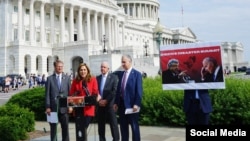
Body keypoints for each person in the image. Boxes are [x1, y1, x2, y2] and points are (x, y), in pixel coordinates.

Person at [114, 54, 143, 141]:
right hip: (122, 105)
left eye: (124, 62)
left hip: (132, 106)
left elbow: (139, 91)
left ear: (130, 62)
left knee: (134, 127)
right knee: (123, 127)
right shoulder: (121, 74)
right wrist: (116, 102)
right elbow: (118, 90)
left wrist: (137, 103)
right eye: (121, 62)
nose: (122, 64)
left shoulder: (137, 74)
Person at [68, 63, 101, 140]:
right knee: (80, 130)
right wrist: (70, 106)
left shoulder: (93, 79)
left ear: (87, 71)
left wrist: (96, 97)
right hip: (78, 110)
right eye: (81, 70)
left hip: (89, 110)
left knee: (83, 128)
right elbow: (71, 94)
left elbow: (95, 93)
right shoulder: (75, 81)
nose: (83, 71)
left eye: (84, 70)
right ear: (79, 71)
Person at [45, 60, 71, 141]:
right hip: (53, 108)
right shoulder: (50, 79)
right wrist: (48, 107)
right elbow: (47, 94)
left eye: (61, 66)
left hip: (64, 108)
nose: (60, 68)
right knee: (53, 129)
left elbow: (70, 93)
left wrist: (70, 106)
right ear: (55, 67)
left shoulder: (67, 78)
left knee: (65, 128)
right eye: (58, 66)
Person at [96, 61, 120, 141]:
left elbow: (114, 91)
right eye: (101, 67)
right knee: (101, 125)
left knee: (113, 125)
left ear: (108, 69)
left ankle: (116, 139)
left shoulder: (114, 77)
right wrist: (99, 100)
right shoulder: (97, 78)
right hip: (100, 105)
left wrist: (106, 100)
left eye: (104, 67)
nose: (102, 68)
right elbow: (95, 90)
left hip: (110, 105)